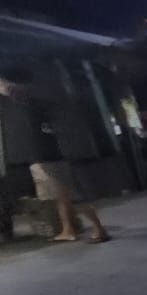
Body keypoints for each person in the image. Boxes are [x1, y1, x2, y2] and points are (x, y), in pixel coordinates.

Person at [0, 71, 110, 243]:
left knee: (69, 193)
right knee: (63, 195)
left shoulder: (27, 104)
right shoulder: (33, 101)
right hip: (49, 152)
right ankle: (68, 229)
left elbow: (7, 89)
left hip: (47, 154)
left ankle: (98, 228)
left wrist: (5, 84)